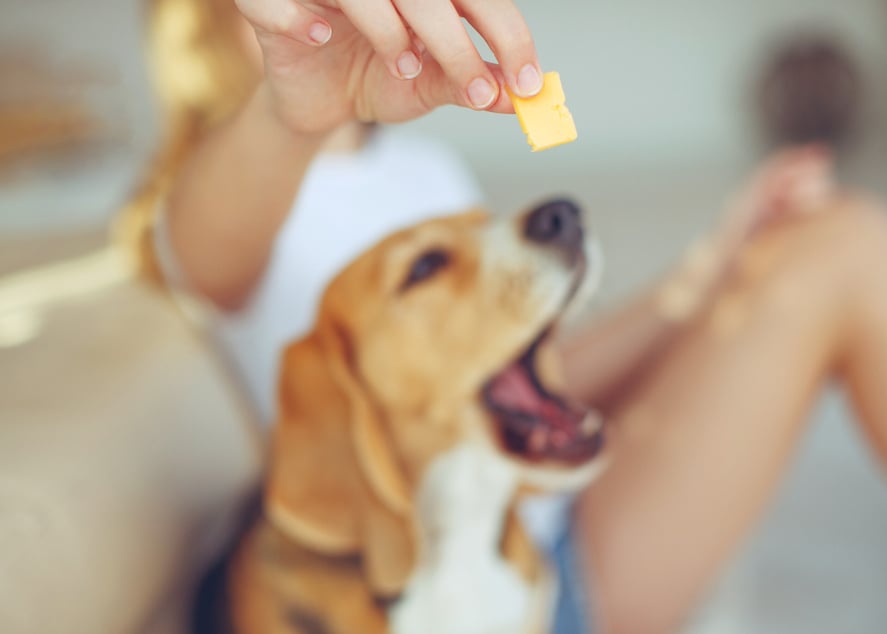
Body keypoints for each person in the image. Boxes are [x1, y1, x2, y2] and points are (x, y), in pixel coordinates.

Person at [117, 0, 887, 632]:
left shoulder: (424, 170)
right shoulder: (212, 206)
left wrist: (710, 268)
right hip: (492, 592)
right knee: (852, 248)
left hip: (528, 529)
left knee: (829, 240)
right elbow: (201, 251)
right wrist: (291, 111)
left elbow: (521, 380)